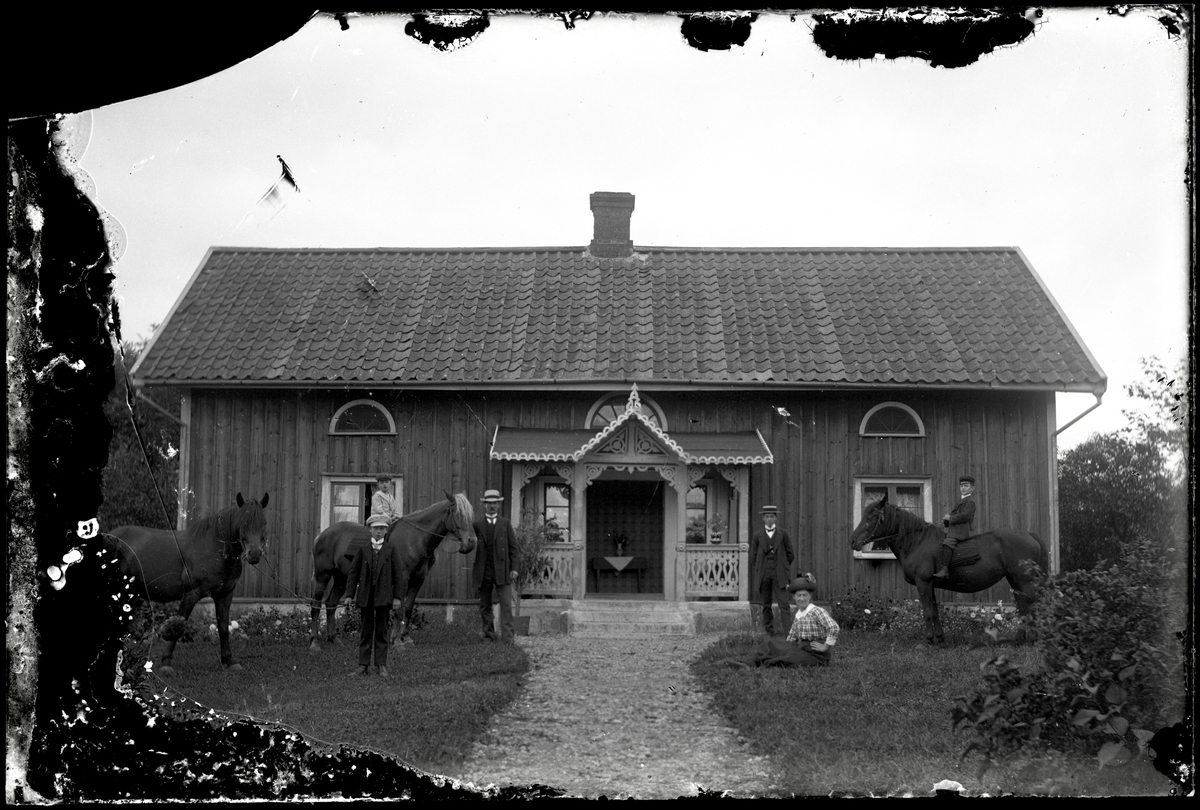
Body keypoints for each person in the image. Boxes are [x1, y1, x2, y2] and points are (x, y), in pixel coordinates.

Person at [342, 513, 405, 677]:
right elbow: (353, 574)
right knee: (366, 631)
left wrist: (397, 597)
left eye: (382, 529)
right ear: (370, 530)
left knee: (382, 631)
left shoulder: (391, 550)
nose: (378, 532)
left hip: (383, 597)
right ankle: (363, 665)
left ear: (386, 531)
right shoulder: (362, 550)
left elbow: (398, 576)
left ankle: (381, 665)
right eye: (376, 528)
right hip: (366, 596)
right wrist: (349, 595)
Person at [728, 576, 839, 668]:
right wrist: (782, 647)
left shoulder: (817, 611)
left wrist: (825, 646)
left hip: (817, 655)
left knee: (788, 658)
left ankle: (762, 664)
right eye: (799, 596)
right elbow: (792, 636)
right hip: (802, 649)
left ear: (809, 596)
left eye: (805, 595)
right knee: (772, 644)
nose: (802, 599)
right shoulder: (799, 615)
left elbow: (833, 627)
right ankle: (747, 663)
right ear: (794, 597)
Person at [471, 489, 518, 643]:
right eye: (489, 503)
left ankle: (508, 639)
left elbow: (514, 548)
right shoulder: (477, 525)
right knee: (485, 605)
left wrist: (514, 568)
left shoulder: (505, 524)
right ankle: (488, 636)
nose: (492, 506)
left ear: (498, 505)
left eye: (495, 503)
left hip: (502, 570)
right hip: (484, 570)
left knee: (506, 605)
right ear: (484, 505)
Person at [749, 505, 796, 635]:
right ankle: (769, 632)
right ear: (763, 518)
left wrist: (783, 566)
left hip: (779, 574)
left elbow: (790, 554)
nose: (769, 519)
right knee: (766, 604)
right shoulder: (757, 535)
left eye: (771, 516)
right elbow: (753, 557)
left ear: (776, 518)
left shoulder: (783, 534)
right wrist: (761, 568)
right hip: (764, 574)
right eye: (767, 516)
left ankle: (789, 633)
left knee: (784, 604)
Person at [934, 475, 977, 579]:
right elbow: (956, 515)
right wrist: (947, 519)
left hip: (963, 531)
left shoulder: (970, 501)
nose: (963, 488)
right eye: (961, 486)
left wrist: (950, 518)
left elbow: (965, 516)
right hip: (956, 530)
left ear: (972, 488)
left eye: (966, 486)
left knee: (948, 542)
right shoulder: (961, 501)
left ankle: (944, 570)